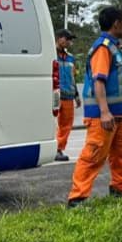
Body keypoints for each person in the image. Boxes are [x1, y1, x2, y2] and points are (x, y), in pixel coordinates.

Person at [67, 6, 122, 207]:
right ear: (116, 24)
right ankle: (77, 198)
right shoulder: (103, 48)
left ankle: (120, 189)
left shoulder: (114, 47)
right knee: (94, 155)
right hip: (103, 115)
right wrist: (104, 112)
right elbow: (99, 81)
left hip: (118, 115)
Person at [54, 29, 80, 162]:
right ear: (59, 39)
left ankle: (58, 148)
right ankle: (52, 148)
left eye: (71, 39)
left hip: (69, 96)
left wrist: (76, 95)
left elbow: (73, 78)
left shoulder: (71, 58)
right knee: (53, 124)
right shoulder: (51, 55)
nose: (70, 42)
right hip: (55, 95)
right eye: (67, 39)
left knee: (66, 124)